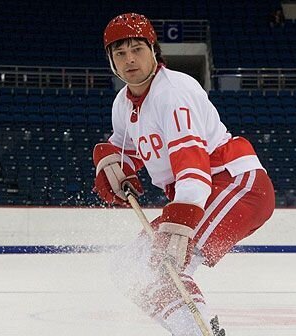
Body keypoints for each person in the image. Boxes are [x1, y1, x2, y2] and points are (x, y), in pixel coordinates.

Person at [93, 13, 275, 335]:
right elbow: (127, 150)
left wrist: (181, 220)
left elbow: (192, 164)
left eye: (136, 49)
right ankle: (189, 329)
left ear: (154, 50)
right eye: (119, 53)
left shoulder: (173, 92)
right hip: (198, 192)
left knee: (166, 264)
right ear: (110, 60)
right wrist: (113, 166)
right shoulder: (122, 103)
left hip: (235, 185)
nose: (129, 59)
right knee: (127, 267)